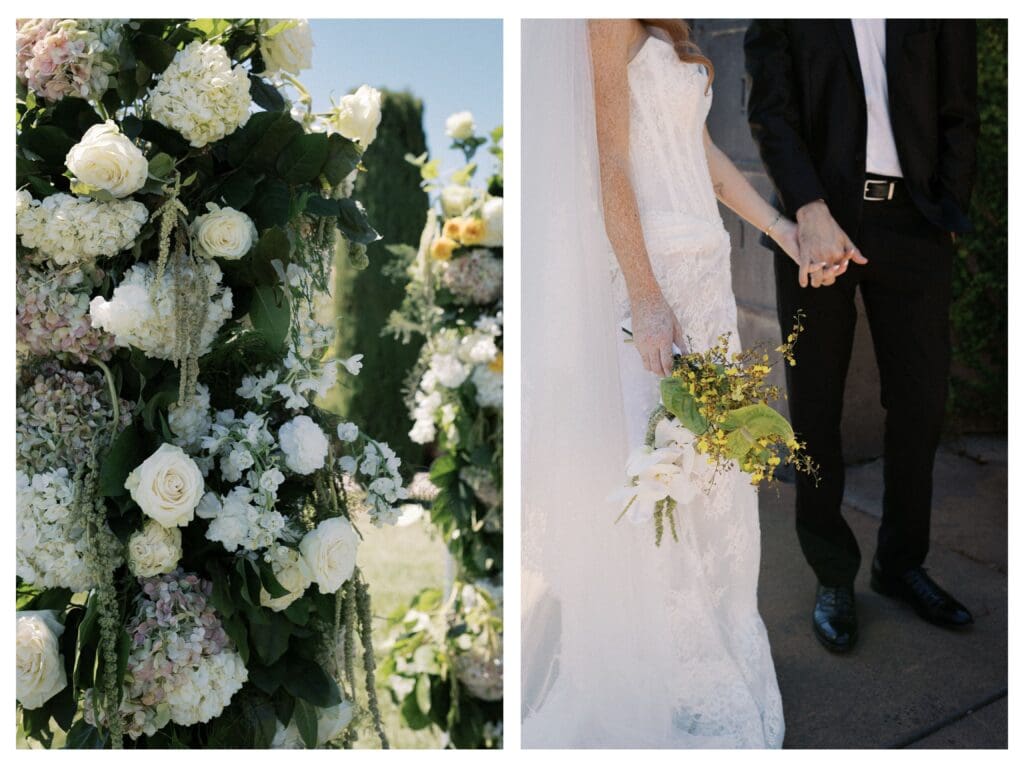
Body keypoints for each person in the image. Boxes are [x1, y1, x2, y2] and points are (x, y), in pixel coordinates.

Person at [522, 18, 830, 748]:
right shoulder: (601, 17)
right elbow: (609, 155)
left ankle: (723, 651)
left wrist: (784, 230)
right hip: (653, 277)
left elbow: (703, 152)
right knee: (660, 479)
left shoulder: (668, 25)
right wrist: (645, 294)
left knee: (714, 482)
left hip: (706, 275)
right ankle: (680, 690)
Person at [744, 19, 978, 654]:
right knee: (815, 406)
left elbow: (960, 103)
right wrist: (809, 208)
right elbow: (770, 106)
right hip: (818, 221)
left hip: (917, 224)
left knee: (922, 401)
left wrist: (948, 209)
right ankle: (831, 573)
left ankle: (900, 564)